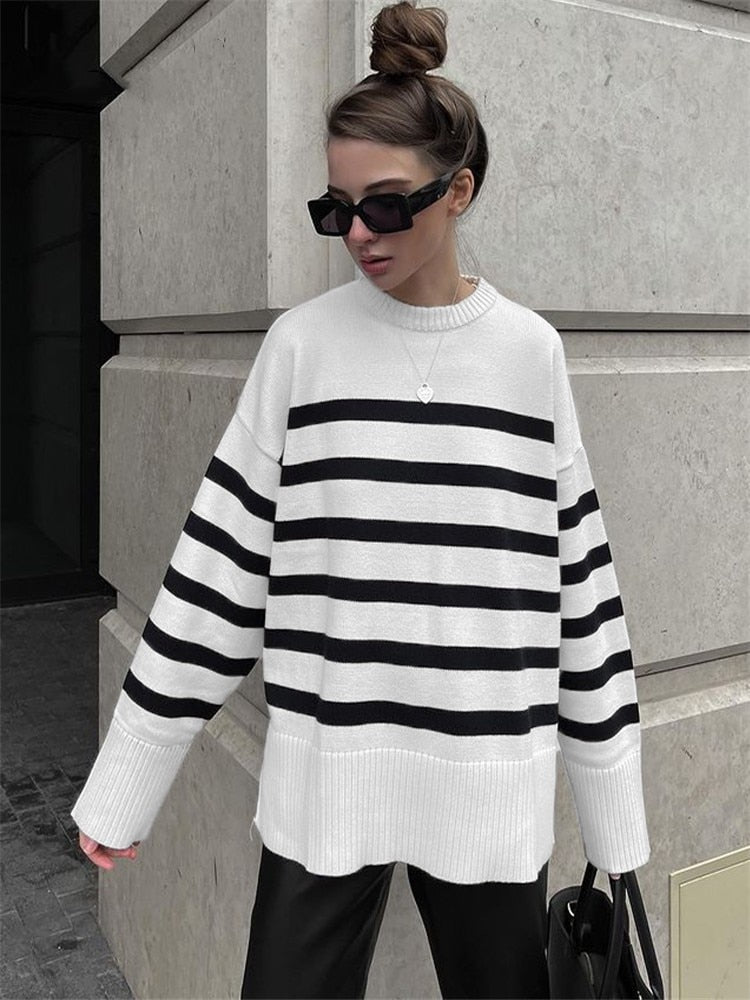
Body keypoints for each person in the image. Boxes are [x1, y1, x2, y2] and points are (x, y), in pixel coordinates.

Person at [71, 2, 651, 998]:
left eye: (385, 205)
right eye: (335, 209)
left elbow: (581, 592)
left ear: (459, 189)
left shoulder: (529, 355)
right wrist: (129, 777)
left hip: (486, 791)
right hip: (326, 781)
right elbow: (218, 569)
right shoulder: (303, 348)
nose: (357, 234)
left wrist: (616, 821)